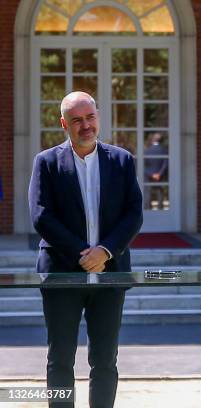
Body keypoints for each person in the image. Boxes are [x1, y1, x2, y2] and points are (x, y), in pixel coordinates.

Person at [29, 91, 143, 408]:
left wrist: (105, 251)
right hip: (62, 274)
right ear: (64, 124)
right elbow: (41, 216)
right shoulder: (47, 162)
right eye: (77, 120)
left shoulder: (121, 161)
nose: (85, 125)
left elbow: (134, 213)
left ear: (98, 117)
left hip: (111, 274)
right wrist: (84, 252)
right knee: (60, 358)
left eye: (90, 117)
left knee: (105, 359)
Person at [143, 132, 169, 210]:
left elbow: (143, 165)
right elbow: (166, 163)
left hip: (148, 174)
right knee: (159, 192)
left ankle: (147, 209)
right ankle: (160, 209)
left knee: (148, 192)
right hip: (160, 175)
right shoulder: (164, 150)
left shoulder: (147, 150)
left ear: (152, 140)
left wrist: (151, 174)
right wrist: (159, 174)